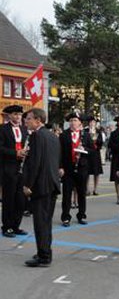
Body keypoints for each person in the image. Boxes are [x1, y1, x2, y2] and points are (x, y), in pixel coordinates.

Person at [22, 108, 61, 267]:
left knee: (40, 222)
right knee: (46, 221)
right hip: (51, 183)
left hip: (41, 185)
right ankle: (44, 251)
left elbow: (35, 163)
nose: (26, 121)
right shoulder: (52, 135)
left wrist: (28, 184)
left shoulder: (37, 136)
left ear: (38, 120)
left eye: (29, 119)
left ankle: (44, 256)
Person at [59, 113, 94, 227]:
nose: (73, 122)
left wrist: (84, 149)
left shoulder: (86, 135)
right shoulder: (64, 135)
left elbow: (93, 151)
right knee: (67, 194)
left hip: (82, 168)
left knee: (81, 193)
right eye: (71, 120)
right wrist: (60, 167)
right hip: (68, 168)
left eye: (75, 120)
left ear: (80, 123)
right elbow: (59, 153)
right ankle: (65, 217)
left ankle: (81, 215)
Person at [0, 105, 29, 237]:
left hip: (21, 168)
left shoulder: (24, 129)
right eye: (15, 114)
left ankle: (16, 225)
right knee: (8, 199)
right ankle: (7, 227)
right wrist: (15, 153)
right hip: (8, 168)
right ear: (9, 115)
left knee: (20, 199)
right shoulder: (3, 129)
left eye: (19, 114)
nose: (18, 117)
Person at [85, 116, 103, 196]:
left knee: (96, 172)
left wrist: (96, 141)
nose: (92, 123)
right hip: (88, 153)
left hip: (96, 153)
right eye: (91, 122)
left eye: (93, 122)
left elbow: (101, 142)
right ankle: (87, 189)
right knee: (87, 172)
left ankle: (95, 189)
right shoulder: (85, 131)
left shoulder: (98, 131)